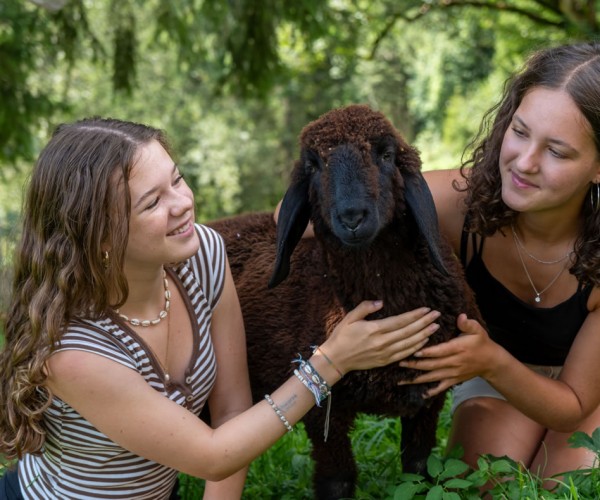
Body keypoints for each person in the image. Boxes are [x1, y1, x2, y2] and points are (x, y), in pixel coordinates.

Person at [0, 118, 441, 499]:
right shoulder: (74, 353)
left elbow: (231, 412)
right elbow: (213, 456)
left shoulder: (203, 254)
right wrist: (331, 362)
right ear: (99, 238)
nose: (183, 204)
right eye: (153, 202)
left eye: (177, 179)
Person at [278, 41, 600, 485]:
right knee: (485, 484)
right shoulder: (455, 204)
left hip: (585, 388)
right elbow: (287, 215)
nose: (524, 163)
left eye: (557, 152)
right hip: (492, 374)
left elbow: (573, 403)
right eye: (520, 132)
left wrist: (490, 360)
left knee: (563, 486)